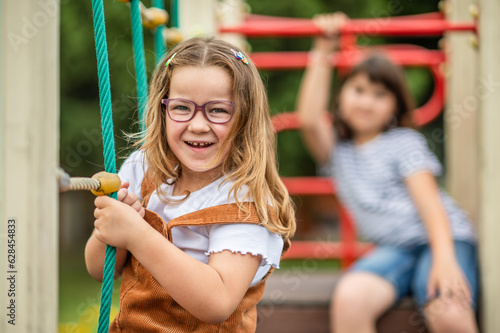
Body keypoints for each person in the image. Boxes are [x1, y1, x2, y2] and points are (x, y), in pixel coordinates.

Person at [84, 37, 296, 332]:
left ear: (245, 118)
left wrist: (137, 234)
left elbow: (218, 302)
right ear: (163, 109)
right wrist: (111, 228)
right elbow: (100, 270)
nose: (198, 125)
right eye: (182, 107)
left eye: (219, 110)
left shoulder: (245, 201)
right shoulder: (143, 167)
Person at [297, 12, 479, 333]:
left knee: (448, 311)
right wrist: (323, 51)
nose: (367, 102)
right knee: (350, 298)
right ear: (340, 98)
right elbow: (310, 119)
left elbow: (431, 207)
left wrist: (445, 260)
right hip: (395, 250)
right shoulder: (338, 150)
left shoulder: (402, 142)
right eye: (359, 90)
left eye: (380, 95)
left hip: (442, 239)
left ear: (395, 108)